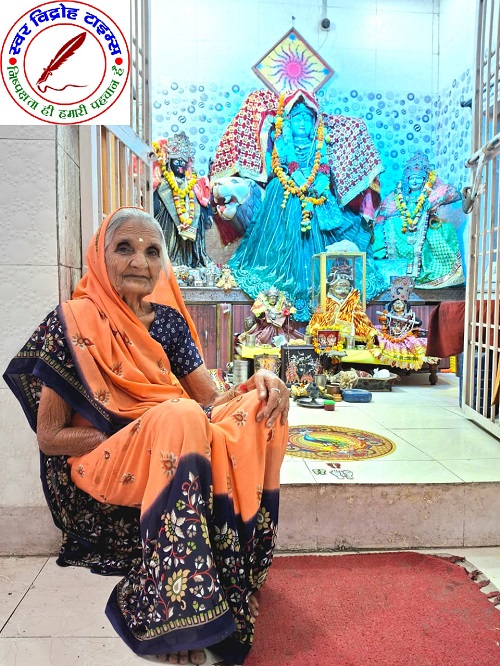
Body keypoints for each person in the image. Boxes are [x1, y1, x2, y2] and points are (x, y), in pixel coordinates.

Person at [3, 207, 289, 666]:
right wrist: (137, 430)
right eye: (124, 248)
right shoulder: (71, 323)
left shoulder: (170, 323)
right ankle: (174, 608)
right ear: (100, 256)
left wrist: (263, 383)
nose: (140, 261)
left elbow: (213, 404)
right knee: (177, 414)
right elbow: (50, 437)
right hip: (106, 461)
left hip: (172, 444)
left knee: (258, 410)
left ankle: (237, 571)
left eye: (152, 251)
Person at [210, 88, 386, 321]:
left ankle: (322, 293)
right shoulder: (282, 144)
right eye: (297, 118)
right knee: (280, 245)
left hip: (317, 197)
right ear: (288, 123)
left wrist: (316, 183)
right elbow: (274, 169)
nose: (302, 123)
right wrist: (295, 178)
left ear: (314, 124)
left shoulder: (319, 146)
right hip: (285, 195)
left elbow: (325, 170)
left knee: (335, 236)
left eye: (307, 119)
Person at [373, 151, 465, 288]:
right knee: (386, 226)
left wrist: (432, 203)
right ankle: (395, 273)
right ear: (407, 180)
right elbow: (385, 210)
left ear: (424, 180)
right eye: (412, 178)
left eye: (418, 178)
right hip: (402, 226)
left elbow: (452, 193)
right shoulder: (400, 195)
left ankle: (431, 274)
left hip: (424, 225)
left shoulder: (429, 194)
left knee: (443, 231)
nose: (414, 181)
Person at [153, 132, 213, 268]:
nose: (180, 164)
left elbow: (202, 200)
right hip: (169, 222)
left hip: (190, 223)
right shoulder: (164, 182)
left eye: (183, 162)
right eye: (177, 161)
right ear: (169, 162)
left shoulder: (193, 183)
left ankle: (190, 260)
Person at [307, 265, 377, 345]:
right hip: (329, 339)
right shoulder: (327, 303)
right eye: (339, 288)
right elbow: (320, 321)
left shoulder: (353, 302)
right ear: (331, 289)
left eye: (346, 288)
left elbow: (362, 318)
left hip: (352, 339)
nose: (343, 291)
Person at [372, 296, 438, 370]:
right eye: (395, 303)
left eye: (400, 304)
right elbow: (384, 323)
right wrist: (383, 318)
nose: (397, 306)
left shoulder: (410, 316)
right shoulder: (388, 315)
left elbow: (419, 323)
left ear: (405, 305)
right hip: (391, 335)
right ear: (392, 305)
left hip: (405, 336)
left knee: (417, 342)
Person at [238, 286, 303, 346]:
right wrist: (264, 315)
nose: (273, 300)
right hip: (267, 327)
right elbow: (259, 317)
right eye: (271, 298)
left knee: (286, 338)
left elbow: (286, 313)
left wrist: (284, 313)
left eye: (274, 298)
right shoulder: (264, 306)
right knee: (262, 337)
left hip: (279, 328)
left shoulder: (279, 306)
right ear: (268, 298)